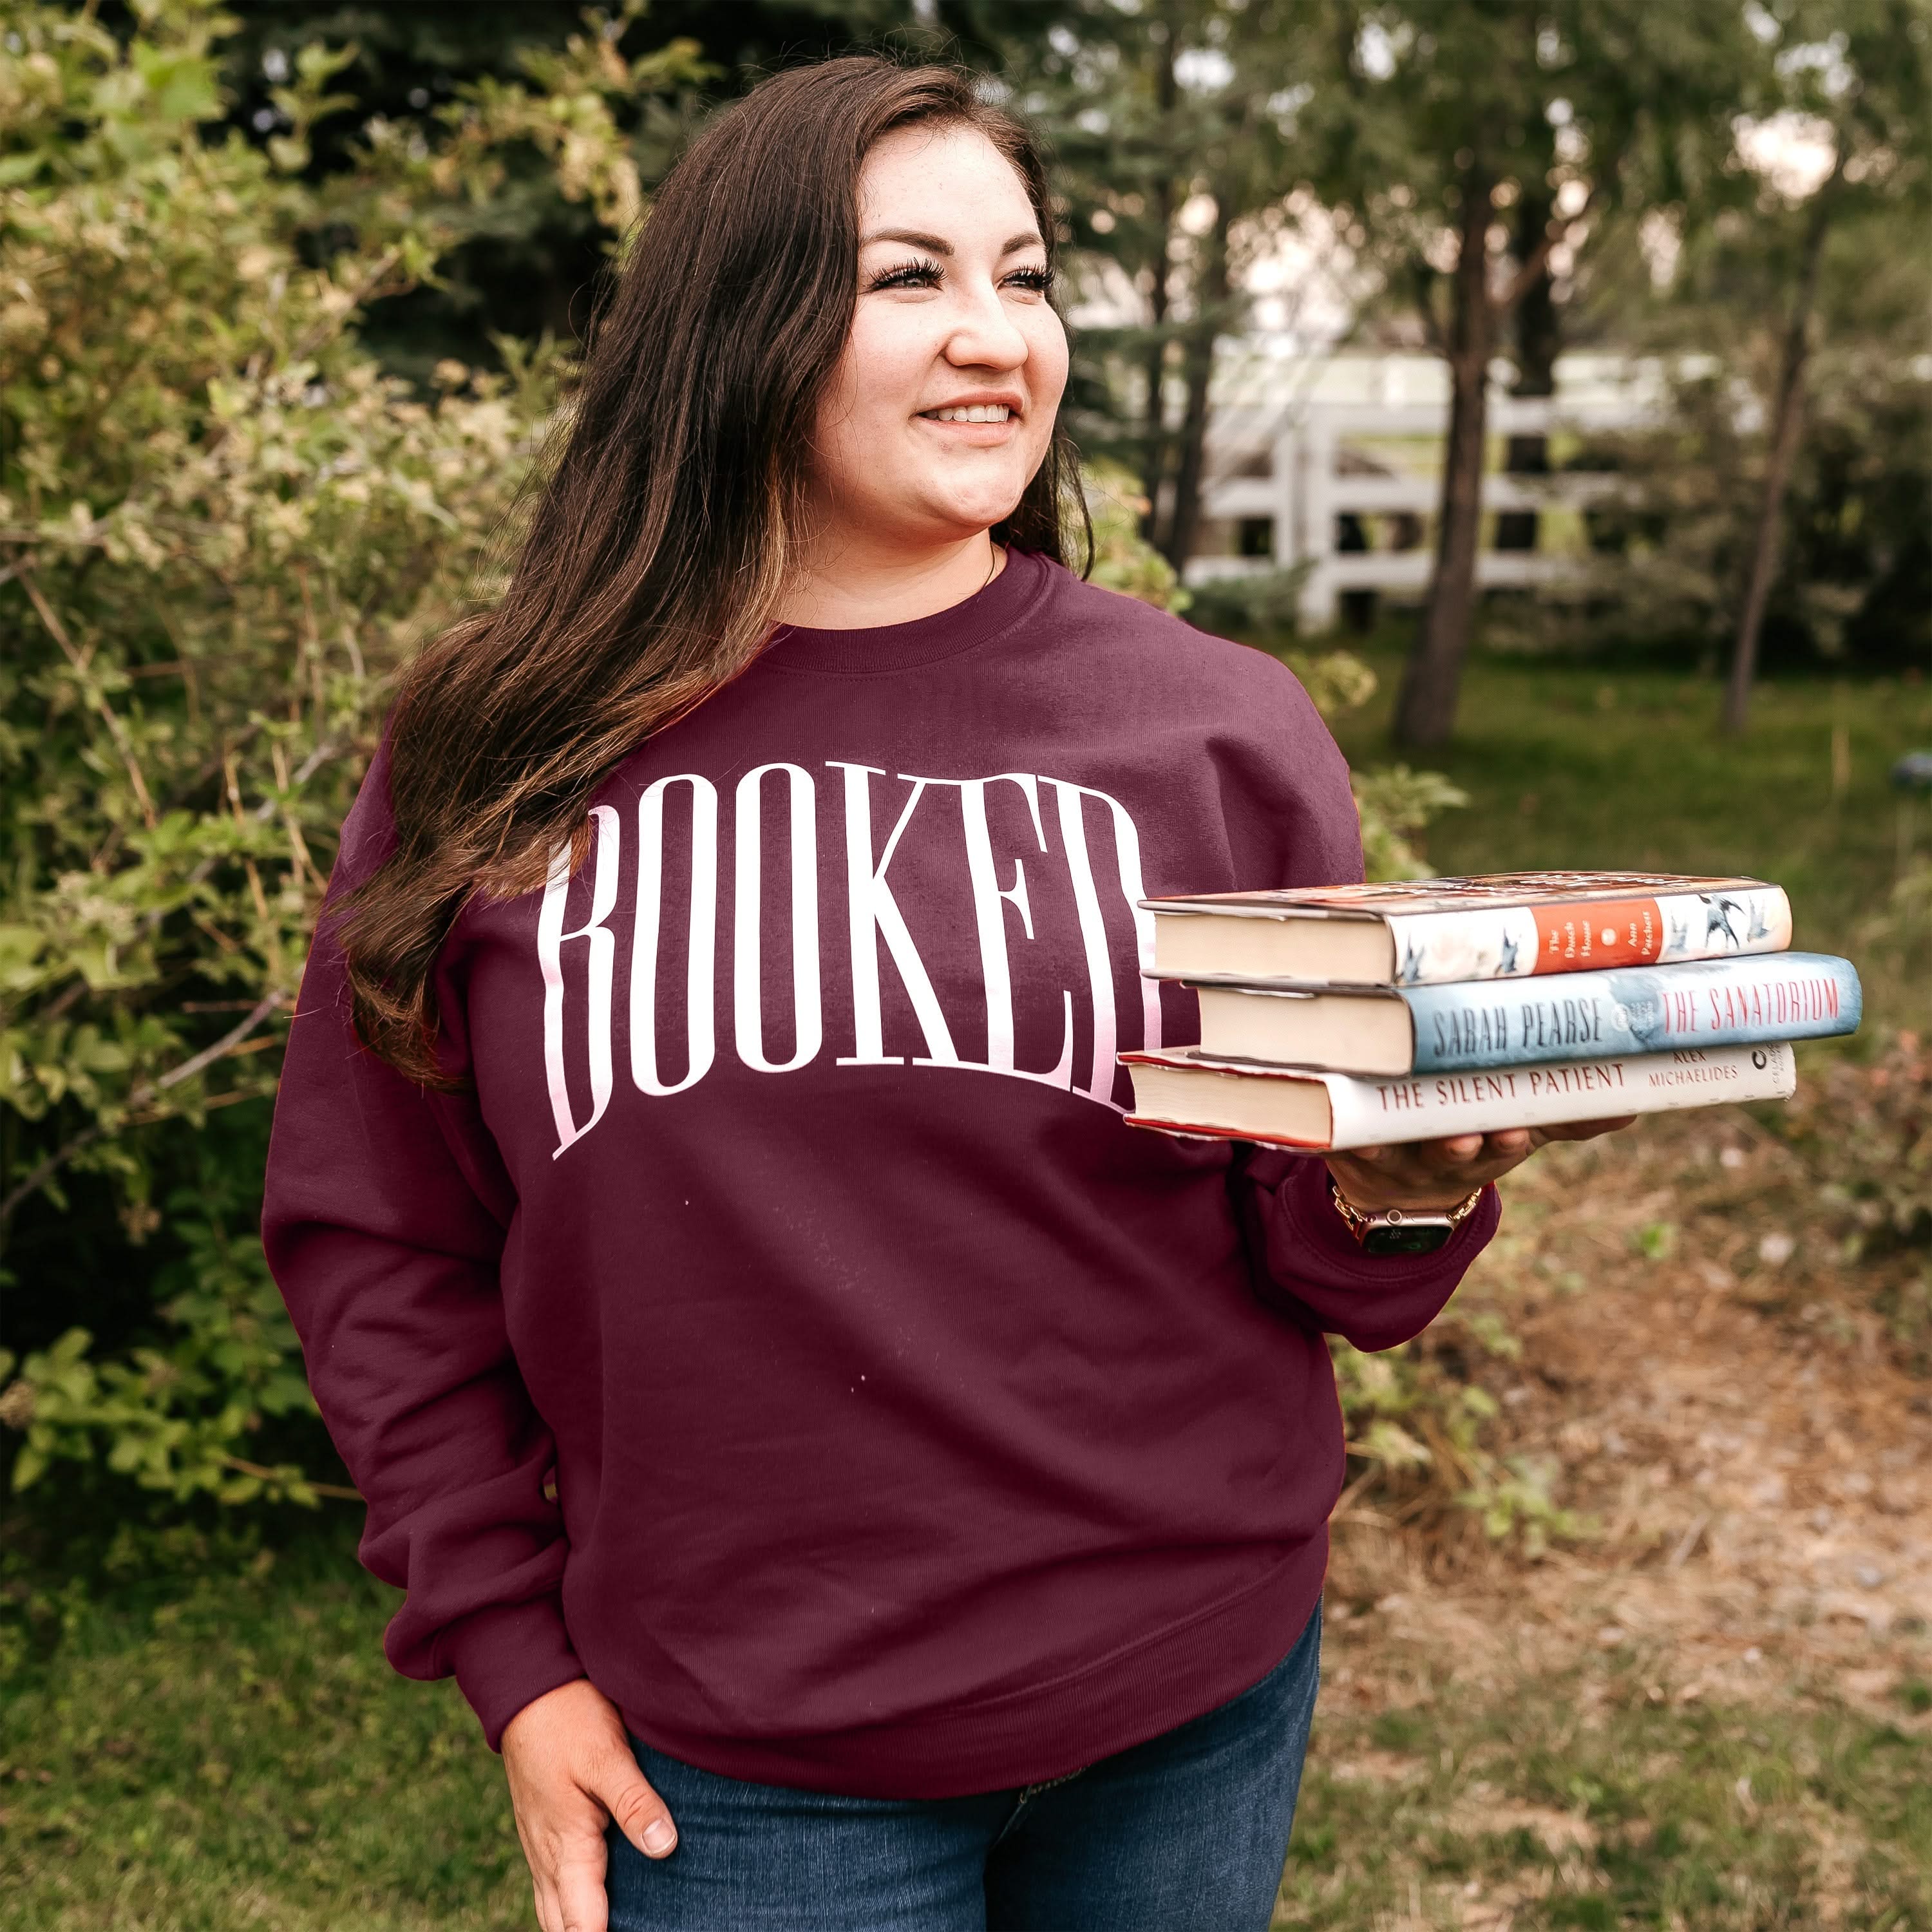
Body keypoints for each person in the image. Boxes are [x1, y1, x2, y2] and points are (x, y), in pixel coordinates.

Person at [261, 55, 1630, 1932]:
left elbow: (1317, 1254)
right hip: (741, 1770)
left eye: (1029, 273)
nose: (996, 338)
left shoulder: (1214, 729)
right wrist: (509, 1652)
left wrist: (1416, 1179)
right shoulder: (501, 743)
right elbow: (377, 1238)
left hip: (1194, 1694)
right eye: (908, 278)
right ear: (738, 326)